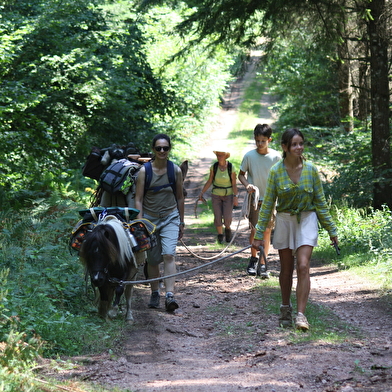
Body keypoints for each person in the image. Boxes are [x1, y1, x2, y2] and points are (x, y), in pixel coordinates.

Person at [252, 128, 338, 331]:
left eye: (301, 144)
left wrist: (331, 230)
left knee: (303, 266)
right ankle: (285, 307)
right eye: (294, 144)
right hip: (284, 220)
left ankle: (301, 315)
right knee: (286, 269)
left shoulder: (311, 170)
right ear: (285, 147)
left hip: (307, 219)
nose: (299, 148)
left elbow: (321, 203)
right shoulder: (276, 172)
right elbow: (268, 206)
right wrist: (258, 235)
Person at [134, 133, 185, 312]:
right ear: (153, 150)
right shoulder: (144, 172)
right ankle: (155, 291)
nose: (162, 151)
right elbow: (138, 199)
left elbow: (180, 197)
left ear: (169, 149)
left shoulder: (175, 171)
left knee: (169, 254)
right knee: (153, 260)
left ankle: (170, 294)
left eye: (165, 148)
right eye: (158, 148)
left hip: (170, 217)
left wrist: (181, 222)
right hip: (149, 220)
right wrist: (140, 224)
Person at [238, 124, 281, 277]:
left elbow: (281, 176)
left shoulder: (276, 157)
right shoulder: (249, 156)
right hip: (254, 200)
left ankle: (263, 264)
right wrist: (247, 184)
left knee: (267, 231)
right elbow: (241, 174)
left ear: (269, 140)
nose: (260, 144)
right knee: (255, 230)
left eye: (263, 141)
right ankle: (253, 258)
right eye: (257, 141)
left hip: (270, 200)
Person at [198, 151, 239, 243]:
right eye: (217, 155)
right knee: (217, 216)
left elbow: (234, 184)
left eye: (221, 155)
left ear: (225, 156)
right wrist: (202, 192)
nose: (219, 157)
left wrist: (235, 196)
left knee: (227, 217)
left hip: (228, 195)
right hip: (216, 194)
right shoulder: (214, 167)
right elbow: (210, 181)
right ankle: (220, 236)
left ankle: (227, 229)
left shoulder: (230, 167)